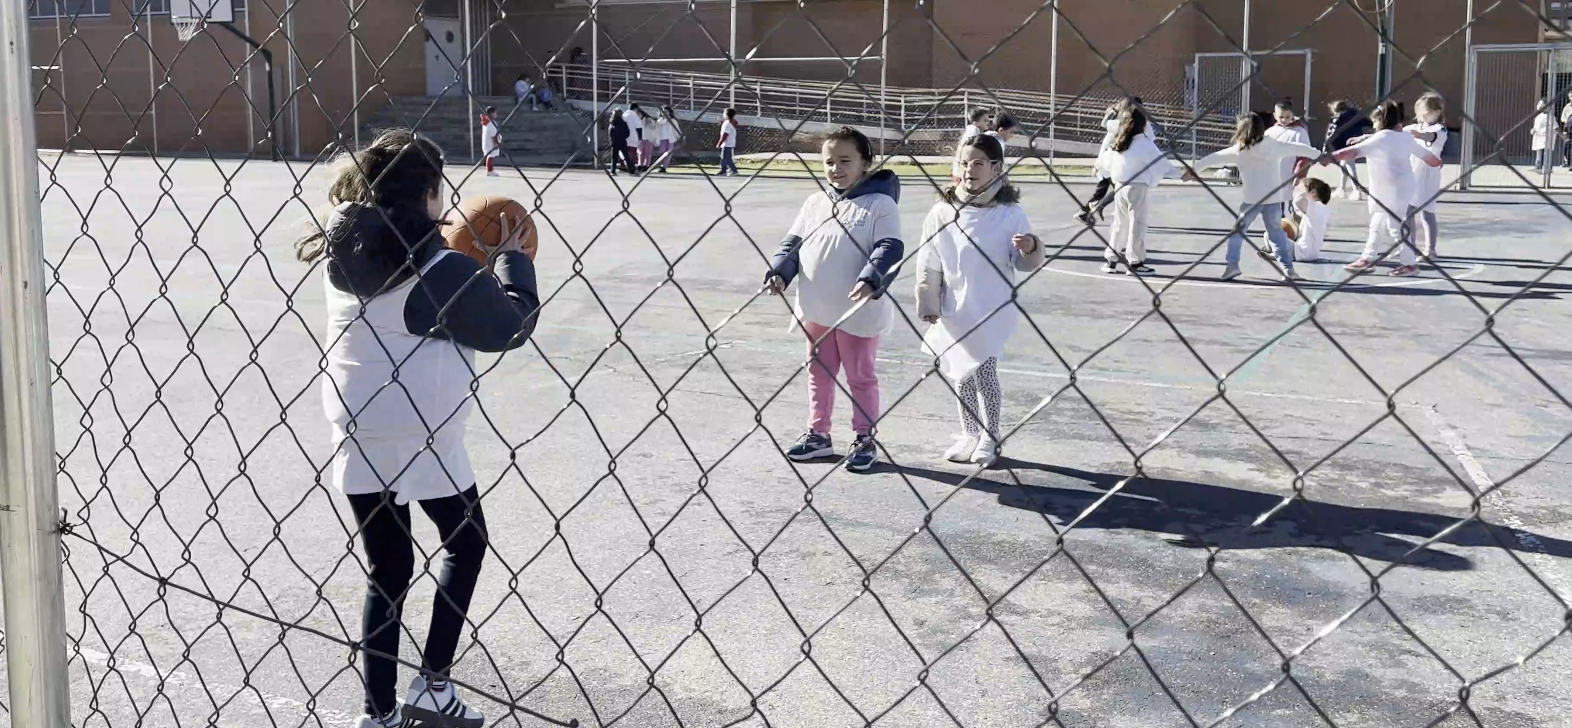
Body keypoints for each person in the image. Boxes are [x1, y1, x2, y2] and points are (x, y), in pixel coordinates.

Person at [295, 129, 540, 728]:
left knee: (389, 570)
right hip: (423, 435)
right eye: (442, 193)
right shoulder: (437, 264)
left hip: (356, 428)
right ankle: (432, 686)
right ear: (429, 193)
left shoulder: (343, 247)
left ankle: (376, 716)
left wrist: (465, 265)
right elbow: (510, 325)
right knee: (465, 541)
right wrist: (510, 257)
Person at [765, 126, 903, 472]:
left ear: (865, 162)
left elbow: (889, 247)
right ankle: (818, 435)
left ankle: (864, 438)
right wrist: (779, 272)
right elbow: (792, 244)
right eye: (829, 161)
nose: (835, 168)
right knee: (818, 373)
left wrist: (870, 279)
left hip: (857, 310)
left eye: (845, 160)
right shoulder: (816, 202)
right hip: (817, 308)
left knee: (860, 376)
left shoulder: (880, 203)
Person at [916, 133, 1045, 467]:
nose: (969, 169)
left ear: (996, 168)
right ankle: (969, 433)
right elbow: (929, 260)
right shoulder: (942, 212)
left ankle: (991, 435)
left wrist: (1030, 247)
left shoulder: (1009, 213)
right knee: (961, 374)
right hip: (955, 306)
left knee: (985, 372)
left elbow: (1020, 261)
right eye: (964, 162)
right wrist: (928, 301)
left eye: (978, 163)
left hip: (991, 306)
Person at [1189, 113, 1324, 281]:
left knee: (1237, 233)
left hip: (1251, 200)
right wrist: (1319, 155)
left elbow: (1214, 158)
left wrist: (1194, 170)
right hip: (1272, 199)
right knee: (1277, 235)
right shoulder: (1273, 145)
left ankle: (1232, 266)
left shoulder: (1239, 150)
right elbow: (1298, 148)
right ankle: (1287, 269)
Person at [1334, 100, 1444, 277]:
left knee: (1395, 226)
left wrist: (1326, 158)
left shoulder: (1382, 137)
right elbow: (1430, 158)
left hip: (1393, 190)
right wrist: (1437, 162)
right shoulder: (1404, 137)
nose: (1374, 125)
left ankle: (1410, 265)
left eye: (1375, 121)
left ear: (1382, 120)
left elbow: (1351, 152)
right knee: (1377, 223)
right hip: (1396, 188)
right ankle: (1367, 258)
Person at [1097, 106, 1181, 275]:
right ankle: (1135, 263)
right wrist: (1180, 174)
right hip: (1137, 187)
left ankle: (1111, 261)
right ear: (1143, 124)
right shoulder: (1144, 143)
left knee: (1119, 224)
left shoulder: (1121, 141)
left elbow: (1106, 160)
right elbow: (1161, 163)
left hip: (1119, 186)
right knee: (1137, 224)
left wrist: (1099, 169)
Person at [1078, 97, 1150, 225]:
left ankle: (1089, 209)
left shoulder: (1119, 123)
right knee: (1118, 188)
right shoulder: (1122, 124)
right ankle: (1093, 208)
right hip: (1111, 163)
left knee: (1109, 189)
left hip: (1110, 162)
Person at [1405, 93, 1448, 258]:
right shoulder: (1414, 127)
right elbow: (1390, 135)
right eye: (1422, 111)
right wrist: (1364, 137)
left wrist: (1418, 135)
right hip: (1413, 171)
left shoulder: (1439, 128)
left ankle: (1430, 249)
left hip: (1428, 173)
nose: (1424, 115)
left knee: (1426, 211)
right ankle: (1409, 245)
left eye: (1428, 111)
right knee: (1408, 211)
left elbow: (1430, 137)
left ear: (1437, 112)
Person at [1325, 100, 1371, 200]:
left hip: (1343, 144)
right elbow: (1368, 122)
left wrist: (1327, 145)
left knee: (1350, 166)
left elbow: (1331, 133)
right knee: (1344, 164)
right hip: (1354, 141)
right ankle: (1341, 188)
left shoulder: (1337, 118)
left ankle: (1356, 190)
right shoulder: (1355, 115)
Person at [1286, 177, 1333, 263]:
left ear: (1313, 193)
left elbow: (1297, 202)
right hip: (1312, 253)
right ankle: (1279, 252)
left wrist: (1301, 192)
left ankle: (1278, 253)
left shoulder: (1315, 206)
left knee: (1270, 235)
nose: (1298, 192)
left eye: (1301, 190)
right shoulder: (1323, 209)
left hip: (1301, 250)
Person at [608, 109, 637, 175]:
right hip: (622, 142)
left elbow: (610, 133)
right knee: (626, 157)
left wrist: (612, 139)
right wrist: (623, 137)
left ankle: (613, 171)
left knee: (614, 157)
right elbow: (627, 133)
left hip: (614, 142)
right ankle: (631, 170)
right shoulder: (623, 123)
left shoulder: (612, 123)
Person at [654, 105, 679, 173]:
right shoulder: (660, 120)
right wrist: (665, 119)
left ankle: (664, 167)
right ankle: (662, 164)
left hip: (670, 138)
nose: (665, 113)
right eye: (663, 112)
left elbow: (676, 129)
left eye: (666, 112)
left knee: (669, 153)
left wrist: (679, 136)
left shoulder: (673, 120)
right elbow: (657, 127)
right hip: (662, 138)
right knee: (662, 152)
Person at [717, 107, 740, 176]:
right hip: (729, 143)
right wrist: (722, 122)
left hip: (727, 143)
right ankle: (723, 170)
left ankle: (734, 170)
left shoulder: (727, 124)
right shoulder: (728, 122)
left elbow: (725, 135)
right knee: (723, 158)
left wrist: (719, 143)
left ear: (726, 115)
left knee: (726, 158)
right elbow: (734, 123)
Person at [479, 106, 501, 176]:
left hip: (488, 141)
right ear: (491, 113)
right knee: (490, 155)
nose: (496, 114)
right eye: (495, 113)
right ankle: (489, 170)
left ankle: (490, 169)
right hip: (490, 142)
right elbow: (492, 134)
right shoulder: (489, 123)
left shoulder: (488, 121)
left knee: (490, 155)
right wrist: (495, 143)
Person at [1531, 100, 1552, 173]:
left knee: (1544, 152)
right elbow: (1536, 126)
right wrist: (1533, 130)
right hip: (1538, 136)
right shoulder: (1538, 116)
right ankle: (1538, 166)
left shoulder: (1548, 116)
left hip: (1545, 137)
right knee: (1538, 152)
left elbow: (1554, 126)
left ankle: (1545, 167)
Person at [625, 103, 647, 171]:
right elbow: (638, 127)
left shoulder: (624, 115)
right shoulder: (634, 116)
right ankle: (632, 167)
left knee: (625, 152)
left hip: (625, 137)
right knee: (633, 153)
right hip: (633, 136)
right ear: (636, 109)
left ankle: (625, 165)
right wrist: (640, 137)